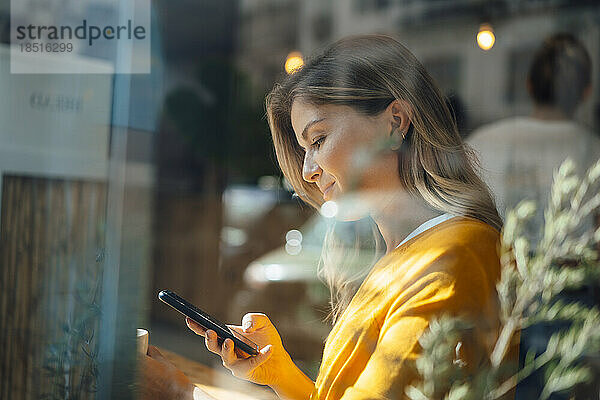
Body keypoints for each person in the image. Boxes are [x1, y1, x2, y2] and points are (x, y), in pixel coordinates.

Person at [140, 34, 514, 399]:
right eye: (304, 149)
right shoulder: (409, 253)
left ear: (395, 122)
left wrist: (180, 391)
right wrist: (278, 371)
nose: (307, 172)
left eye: (318, 140)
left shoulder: (455, 257)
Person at [468, 33, 600, 242]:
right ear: (587, 92)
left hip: (494, 269)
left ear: (528, 85)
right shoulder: (594, 151)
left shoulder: (481, 143)